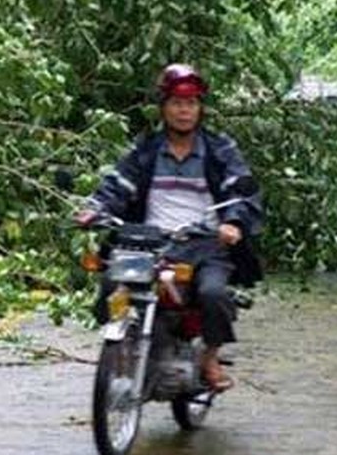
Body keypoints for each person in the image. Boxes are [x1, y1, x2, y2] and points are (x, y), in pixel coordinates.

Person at [75, 64, 263, 391]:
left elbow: (240, 189)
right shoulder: (145, 150)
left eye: (191, 104)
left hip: (205, 245)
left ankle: (210, 357)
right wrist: (95, 209)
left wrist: (232, 222)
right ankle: (122, 350)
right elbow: (117, 185)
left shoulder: (220, 149)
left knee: (213, 294)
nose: (184, 111)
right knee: (111, 285)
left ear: (200, 108)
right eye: (176, 103)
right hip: (149, 243)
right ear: (163, 108)